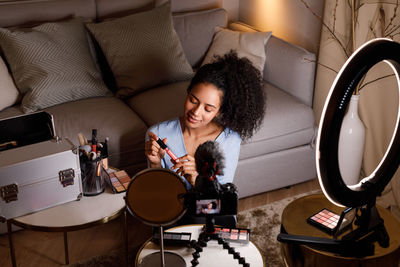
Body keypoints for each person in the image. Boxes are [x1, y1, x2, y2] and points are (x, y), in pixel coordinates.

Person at [145, 50, 266, 227]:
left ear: (220, 111)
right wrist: (155, 163)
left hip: (212, 214)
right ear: (187, 93)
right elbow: (158, 195)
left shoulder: (229, 140)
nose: (196, 112)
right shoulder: (158, 132)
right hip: (173, 210)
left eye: (208, 109)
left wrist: (198, 181)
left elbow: (220, 202)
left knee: (201, 217)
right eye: (193, 100)